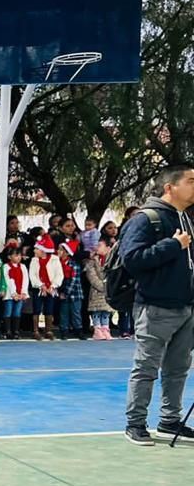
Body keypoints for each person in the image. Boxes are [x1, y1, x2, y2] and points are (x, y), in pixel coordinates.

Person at [120, 165, 194, 445]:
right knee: (146, 367)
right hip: (155, 307)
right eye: (191, 181)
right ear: (170, 187)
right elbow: (132, 260)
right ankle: (135, 423)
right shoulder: (146, 219)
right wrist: (173, 245)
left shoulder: (185, 219)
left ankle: (169, 421)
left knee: (178, 368)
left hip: (186, 306)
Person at [28, 234, 62, 341]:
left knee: (49, 308)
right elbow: (32, 275)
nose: (34, 250)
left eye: (37, 248)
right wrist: (40, 285)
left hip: (51, 288)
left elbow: (59, 274)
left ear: (43, 250)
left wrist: (53, 286)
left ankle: (48, 330)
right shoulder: (34, 260)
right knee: (37, 308)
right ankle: (35, 330)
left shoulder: (55, 259)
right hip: (38, 289)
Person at [83, 240, 114, 340]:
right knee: (97, 311)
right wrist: (102, 286)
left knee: (106, 312)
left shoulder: (112, 261)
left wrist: (108, 285)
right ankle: (97, 330)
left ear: (108, 248)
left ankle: (105, 329)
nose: (97, 247)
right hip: (96, 290)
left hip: (108, 289)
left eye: (100, 245)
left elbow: (114, 274)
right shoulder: (92, 261)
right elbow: (91, 275)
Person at [55, 240, 84, 340]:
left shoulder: (74, 264)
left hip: (74, 292)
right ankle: (64, 331)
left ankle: (78, 330)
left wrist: (65, 292)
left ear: (67, 253)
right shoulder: (57, 263)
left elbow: (74, 280)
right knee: (64, 313)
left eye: (61, 250)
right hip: (62, 291)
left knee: (76, 312)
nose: (58, 251)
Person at [0, 246, 29, 340]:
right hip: (9, 294)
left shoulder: (23, 266)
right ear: (9, 257)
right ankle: (7, 331)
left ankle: (16, 331)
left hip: (20, 294)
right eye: (16, 255)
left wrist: (23, 292)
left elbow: (25, 280)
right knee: (8, 311)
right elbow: (8, 280)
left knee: (17, 312)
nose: (19, 257)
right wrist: (14, 293)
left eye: (20, 255)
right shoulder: (6, 267)